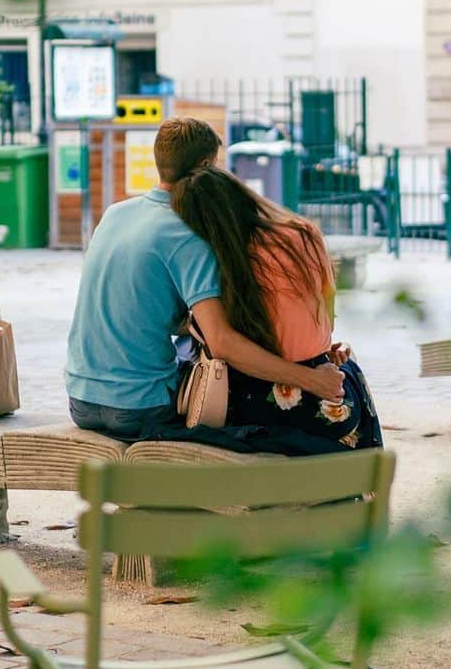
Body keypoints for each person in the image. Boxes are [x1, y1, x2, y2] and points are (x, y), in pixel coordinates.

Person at [65, 118, 345, 440]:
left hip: (80, 399)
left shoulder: (115, 213)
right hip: (140, 407)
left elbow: (138, 307)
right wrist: (311, 379)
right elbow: (222, 342)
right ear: (205, 166)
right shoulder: (189, 235)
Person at [170, 165, 381, 450]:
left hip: (258, 403)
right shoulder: (305, 234)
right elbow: (327, 322)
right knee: (349, 367)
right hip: (333, 400)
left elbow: (221, 341)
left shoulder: (218, 261)